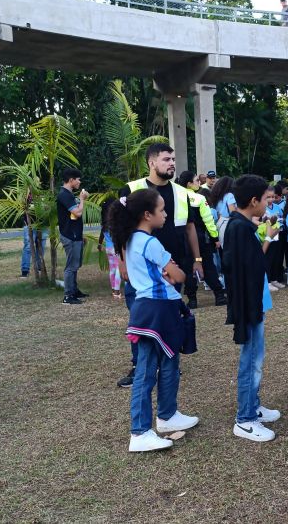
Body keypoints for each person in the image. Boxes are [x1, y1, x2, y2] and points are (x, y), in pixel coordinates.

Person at [109, 189, 198, 452]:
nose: (166, 214)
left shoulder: (130, 241)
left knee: (169, 361)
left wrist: (167, 274)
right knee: (147, 370)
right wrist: (176, 272)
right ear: (147, 215)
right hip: (156, 310)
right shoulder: (150, 243)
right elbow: (178, 275)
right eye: (162, 210)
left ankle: (168, 415)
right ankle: (139, 432)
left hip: (151, 308)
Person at [115, 143, 204, 389]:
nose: (172, 163)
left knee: (171, 317)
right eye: (166, 159)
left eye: (173, 159)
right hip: (142, 272)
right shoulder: (133, 189)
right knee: (140, 317)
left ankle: (169, 363)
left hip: (172, 271)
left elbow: (189, 227)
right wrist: (123, 261)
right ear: (152, 162)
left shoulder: (182, 192)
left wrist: (197, 260)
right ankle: (140, 367)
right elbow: (121, 228)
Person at [222, 175, 281, 442]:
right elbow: (239, 273)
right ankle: (244, 419)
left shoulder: (244, 226)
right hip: (249, 306)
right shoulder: (239, 229)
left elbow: (252, 265)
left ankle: (253, 407)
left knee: (256, 357)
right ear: (253, 201)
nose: (268, 204)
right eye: (266, 199)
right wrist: (246, 312)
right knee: (251, 361)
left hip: (254, 303)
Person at [177, 171, 226, 309]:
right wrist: (215, 237)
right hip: (200, 238)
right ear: (189, 184)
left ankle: (192, 300)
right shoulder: (199, 198)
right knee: (209, 267)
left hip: (182, 239)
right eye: (196, 180)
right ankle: (219, 296)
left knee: (187, 269)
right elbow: (208, 220)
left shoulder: (176, 197)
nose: (199, 182)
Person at [56, 168, 89, 305]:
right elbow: (77, 213)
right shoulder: (64, 195)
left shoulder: (69, 195)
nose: (79, 182)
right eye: (78, 179)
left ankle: (74, 290)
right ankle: (68, 296)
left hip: (75, 234)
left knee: (76, 264)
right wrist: (82, 199)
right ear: (71, 180)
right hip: (69, 234)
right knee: (71, 266)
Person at [98, 197, 122, 299]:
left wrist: (99, 244)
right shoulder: (115, 222)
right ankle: (117, 292)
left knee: (112, 269)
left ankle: (113, 289)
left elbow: (101, 235)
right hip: (116, 248)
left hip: (108, 249)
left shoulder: (104, 223)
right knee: (118, 269)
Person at [209, 176, 237, 246]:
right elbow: (233, 212)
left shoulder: (218, 197)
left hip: (219, 222)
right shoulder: (230, 195)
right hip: (228, 223)